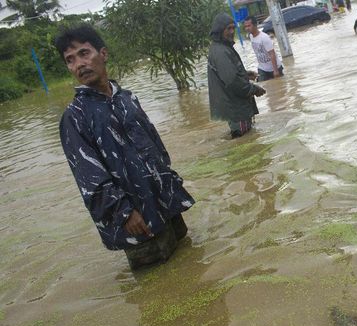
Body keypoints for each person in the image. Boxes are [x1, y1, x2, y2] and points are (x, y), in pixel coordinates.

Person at [54, 25, 195, 270]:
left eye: (84, 53)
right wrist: (123, 213)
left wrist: (170, 180)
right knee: (157, 283)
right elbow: (89, 178)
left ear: (103, 54)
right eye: (70, 60)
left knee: (190, 260)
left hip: (166, 200)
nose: (79, 64)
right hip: (136, 219)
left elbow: (154, 145)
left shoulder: (127, 98)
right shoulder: (75, 117)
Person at [208, 13, 266, 138]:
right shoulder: (221, 52)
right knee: (248, 143)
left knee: (245, 142)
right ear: (219, 30)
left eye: (233, 28)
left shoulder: (221, 47)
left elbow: (228, 74)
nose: (232, 31)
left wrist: (245, 75)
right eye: (228, 28)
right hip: (237, 110)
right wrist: (254, 89)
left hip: (234, 107)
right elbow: (233, 82)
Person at [243, 16, 284, 82]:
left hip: (274, 68)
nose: (247, 28)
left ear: (255, 25)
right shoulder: (251, 36)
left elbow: (272, 54)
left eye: (249, 26)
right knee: (263, 86)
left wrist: (275, 71)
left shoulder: (264, 38)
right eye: (245, 26)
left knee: (280, 85)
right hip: (262, 68)